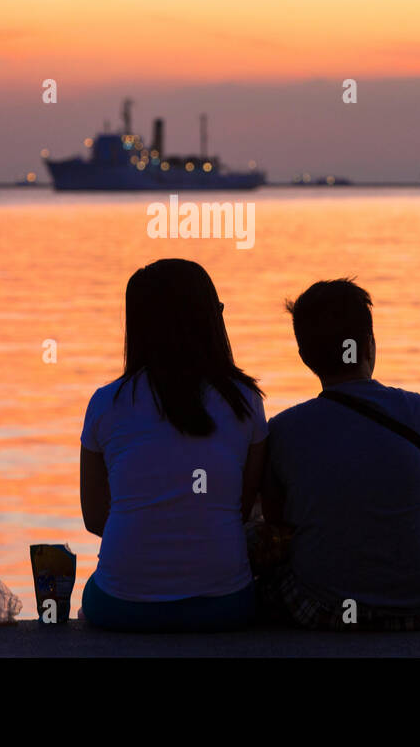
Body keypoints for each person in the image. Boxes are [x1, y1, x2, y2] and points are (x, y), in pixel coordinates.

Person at [259, 278, 420, 630]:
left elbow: (276, 519)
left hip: (322, 609)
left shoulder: (282, 431)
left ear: (304, 357)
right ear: (370, 345)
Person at [79, 259, 267, 631]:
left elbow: (96, 518)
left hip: (122, 605)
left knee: (90, 596)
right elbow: (241, 509)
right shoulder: (245, 400)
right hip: (225, 605)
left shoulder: (105, 403)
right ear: (209, 321)